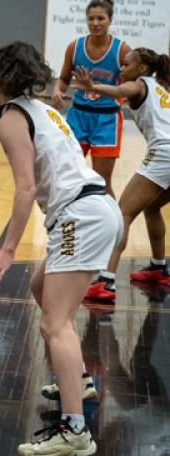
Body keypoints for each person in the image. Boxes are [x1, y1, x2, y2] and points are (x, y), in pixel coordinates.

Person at [0, 42, 122, 456]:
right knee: (40, 287)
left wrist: (7, 249)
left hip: (81, 217)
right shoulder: (44, 110)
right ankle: (79, 378)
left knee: (53, 324)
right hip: (96, 208)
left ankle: (74, 430)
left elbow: (25, 187)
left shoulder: (10, 117)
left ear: (1, 80)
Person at [74, 48, 170, 301]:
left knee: (122, 214)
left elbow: (119, 92)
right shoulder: (160, 88)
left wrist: (92, 86)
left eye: (126, 65)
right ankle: (159, 268)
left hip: (165, 154)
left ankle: (105, 282)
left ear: (141, 69)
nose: (122, 69)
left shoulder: (139, 84)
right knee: (152, 208)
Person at [53, 0, 130, 198]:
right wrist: (58, 91)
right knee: (68, 176)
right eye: (91, 18)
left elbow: (128, 87)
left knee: (102, 182)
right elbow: (63, 79)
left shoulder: (122, 50)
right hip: (78, 116)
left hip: (107, 120)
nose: (95, 23)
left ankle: (113, 226)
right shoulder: (75, 47)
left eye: (100, 18)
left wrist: (96, 88)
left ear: (110, 20)